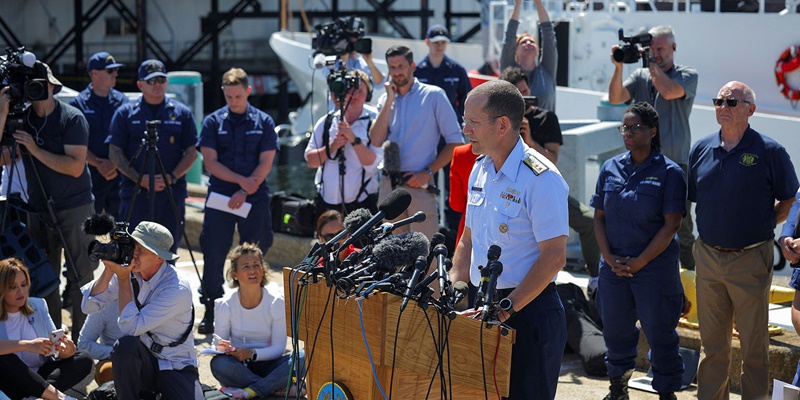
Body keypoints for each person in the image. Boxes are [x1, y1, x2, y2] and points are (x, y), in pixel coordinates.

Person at [451, 80, 569, 399]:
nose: (465, 129)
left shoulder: (542, 179)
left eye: (473, 122)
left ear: (502, 125)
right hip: (483, 306)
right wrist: (454, 287)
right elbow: (467, 239)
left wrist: (506, 309)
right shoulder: (480, 170)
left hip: (527, 312)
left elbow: (555, 256)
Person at [688, 81, 799, 400]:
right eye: (718, 101)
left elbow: (790, 198)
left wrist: (766, 222)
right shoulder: (701, 148)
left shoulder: (770, 151)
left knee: (753, 346)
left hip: (750, 257)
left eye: (731, 102)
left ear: (750, 109)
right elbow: (695, 197)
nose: (723, 106)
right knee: (712, 346)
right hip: (707, 257)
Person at [591, 102, 685, 400]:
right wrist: (607, 258)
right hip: (615, 267)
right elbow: (599, 217)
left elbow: (672, 225)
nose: (628, 133)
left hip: (654, 269)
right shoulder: (610, 168)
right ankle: (618, 389)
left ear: (652, 131)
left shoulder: (670, 172)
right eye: (624, 128)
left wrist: (640, 261)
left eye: (635, 128)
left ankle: (666, 392)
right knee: (615, 332)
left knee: (660, 334)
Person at [0, 65, 97, 341]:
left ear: (53, 86)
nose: (37, 91)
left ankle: (83, 338)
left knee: (82, 275)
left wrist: (33, 148)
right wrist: (4, 112)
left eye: (41, 85)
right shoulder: (22, 120)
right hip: (39, 208)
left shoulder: (71, 118)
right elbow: (1, 158)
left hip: (75, 206)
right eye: (31, 86)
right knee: (43, 277)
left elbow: (75, 167)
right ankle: (54, 338)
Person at [500, 66, 601, 294]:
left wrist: (530, 140)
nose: (524, 100)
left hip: (542, 190)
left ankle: (595, 276)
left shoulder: (546, 118)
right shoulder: (501, 123)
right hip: (510, 193)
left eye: (526, 92)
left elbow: (552, 160)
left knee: (589, 221)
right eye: (518, 95)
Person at [608, 25, 698, 272]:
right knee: (641, 221)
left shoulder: (687, 74)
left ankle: (691, 278)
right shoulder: (641, 76)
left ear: (674, 48)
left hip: (675, 163)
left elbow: (669, 91)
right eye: (651, 49)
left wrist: (650, 63)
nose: (655, 53)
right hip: (643, 164)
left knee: (682, 225)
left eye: (659, 48)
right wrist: (618, 66)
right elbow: (616, 97)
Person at [196, 67, 278, 334]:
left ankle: (254, 308)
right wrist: (240, 182)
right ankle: (211, 308)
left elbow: (266, 161)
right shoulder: (212, 122)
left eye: (238, 97)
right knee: (213, 252)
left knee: (255, 254)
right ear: (223, 93)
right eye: (229, 97)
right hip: (221, 197)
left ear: (248, 92)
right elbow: (210, 162)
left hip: (253, 197)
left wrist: (245, 188)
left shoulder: (263, 121)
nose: (233, 102)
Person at [81, 221, 203, 399]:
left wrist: (122, 279)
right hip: (143, 364)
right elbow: (88, 306)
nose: (133, 255)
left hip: (176, 365)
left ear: (159, 258)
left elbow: (131, 327)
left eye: (141, 251)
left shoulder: (176, 288)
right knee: (125, 346)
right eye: (133, 247)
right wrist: (109, 269)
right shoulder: (131, 272)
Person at [369, 45, 463, 240]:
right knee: (389, 251)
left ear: (412, 66)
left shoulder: (434, 95)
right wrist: (388, 100)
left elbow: (455, 142)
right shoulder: (386, 99)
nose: (396, 72)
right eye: (392, 67)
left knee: (425, 252)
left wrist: (428, 172)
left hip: (419, 184)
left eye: (401, 66)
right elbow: (376, 140)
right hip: (389, 184)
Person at [108, 59, 198, 253]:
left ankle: (166, 284)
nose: (157, 85)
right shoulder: (125, 114)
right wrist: (140, 179)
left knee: (168, 250)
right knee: (132, 250)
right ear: (140, 84)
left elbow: (192, 150)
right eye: (151, 81)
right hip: (136, 194)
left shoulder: (182, 113)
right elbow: (114, 151)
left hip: (171, 194)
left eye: (161, 79)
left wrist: (171, 177)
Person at [210, 243, 305, 399]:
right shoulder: (224, 304)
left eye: (256, 265)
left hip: (272, 365)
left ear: (263, 269)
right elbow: (217, 343)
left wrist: (251, 353)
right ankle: (274, 388)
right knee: (219, 364)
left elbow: (279, 348)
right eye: (245, 266)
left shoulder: (276, 301)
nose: (252, 270)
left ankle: (251, 391)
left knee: (302, 357)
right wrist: (222, 347)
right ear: (234, 273)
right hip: (240, 367)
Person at [0, 257, 92, 400]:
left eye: (24, 284)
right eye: (13, 287)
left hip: (41, 377)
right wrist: (27, 345)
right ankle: (59, 397)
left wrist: (67, 350)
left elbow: (55, 350)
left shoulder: (38, 306)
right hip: (9, 382)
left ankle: (35, 397)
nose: (21, 291)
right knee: (4, 357)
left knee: (83, 358)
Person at [305, 70, 382, 218]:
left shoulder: (373, 121)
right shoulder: (327, 121)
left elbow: (372, 164)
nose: (355, 95)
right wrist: (332, 146)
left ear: (368, 95)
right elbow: (311, 161)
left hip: (361, 203)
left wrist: (353, 139)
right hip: (327, 204)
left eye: (361, 91)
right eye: (351, 91)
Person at [69, 51, 128, 218]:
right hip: (90, 175)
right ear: (94, 73)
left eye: (116, 70)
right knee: (87, 228)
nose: (115, 74)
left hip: (118, 175)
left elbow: (128, 137)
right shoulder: (78, 103)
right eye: (110, 71)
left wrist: (114, 164)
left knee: (122, 229)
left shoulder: (123, 102)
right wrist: (98, 164)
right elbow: (74, 140)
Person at [499, 0, 557, 112]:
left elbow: (549, 35)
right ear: (515, 51)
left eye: (532, 41)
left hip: (545, 128)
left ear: (538, 51)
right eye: (523, 42)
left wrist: (538, 3)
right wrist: (518, 4)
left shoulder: (547, 71)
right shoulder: (509, 71)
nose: (528, 43)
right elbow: (509, 37)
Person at [415, 24, 472, 124]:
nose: (439, 45)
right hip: (423, 125)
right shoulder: (416, 71)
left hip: (451, 126)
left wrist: (461, 121)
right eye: (436, 42)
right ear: (427, 42)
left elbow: (467, 98)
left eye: (443, 42)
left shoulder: (457, 70)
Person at [77, 299, 122, 386]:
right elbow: (84, 344)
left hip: (150, 354)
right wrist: (117, 353)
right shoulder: (103, 303)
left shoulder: (153, 297)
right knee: (107, 371)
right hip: (114, 358)